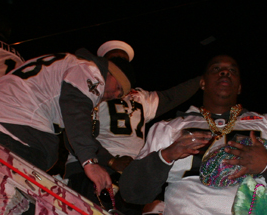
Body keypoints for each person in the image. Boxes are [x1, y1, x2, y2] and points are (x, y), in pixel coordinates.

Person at [119, 55, 267, 215]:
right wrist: (167, 155)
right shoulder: (170, 127)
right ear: (202, 83)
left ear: (240, 86)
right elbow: (131, 192)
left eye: (232, 70)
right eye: (216, 69)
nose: (225, 72)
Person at [0, 49, 135, 194]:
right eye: (118, 88)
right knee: (28, 187)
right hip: (12, 125)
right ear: (110, 72)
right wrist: (90, 162)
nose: (115, 95)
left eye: (120, 95)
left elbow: (75, 134)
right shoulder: (91, 72)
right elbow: (76, 111)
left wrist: (110, 161)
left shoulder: (73, 67)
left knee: (42, 157)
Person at [63, 40, 200, 202]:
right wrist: (111, 161)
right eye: (114, 59)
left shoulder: (140, 97)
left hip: (129, 172)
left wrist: (203, 80)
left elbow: (172, 96)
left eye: (123, 60)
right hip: (92, 166)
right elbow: (74, 131)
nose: (119, 64)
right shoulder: (90, 88)